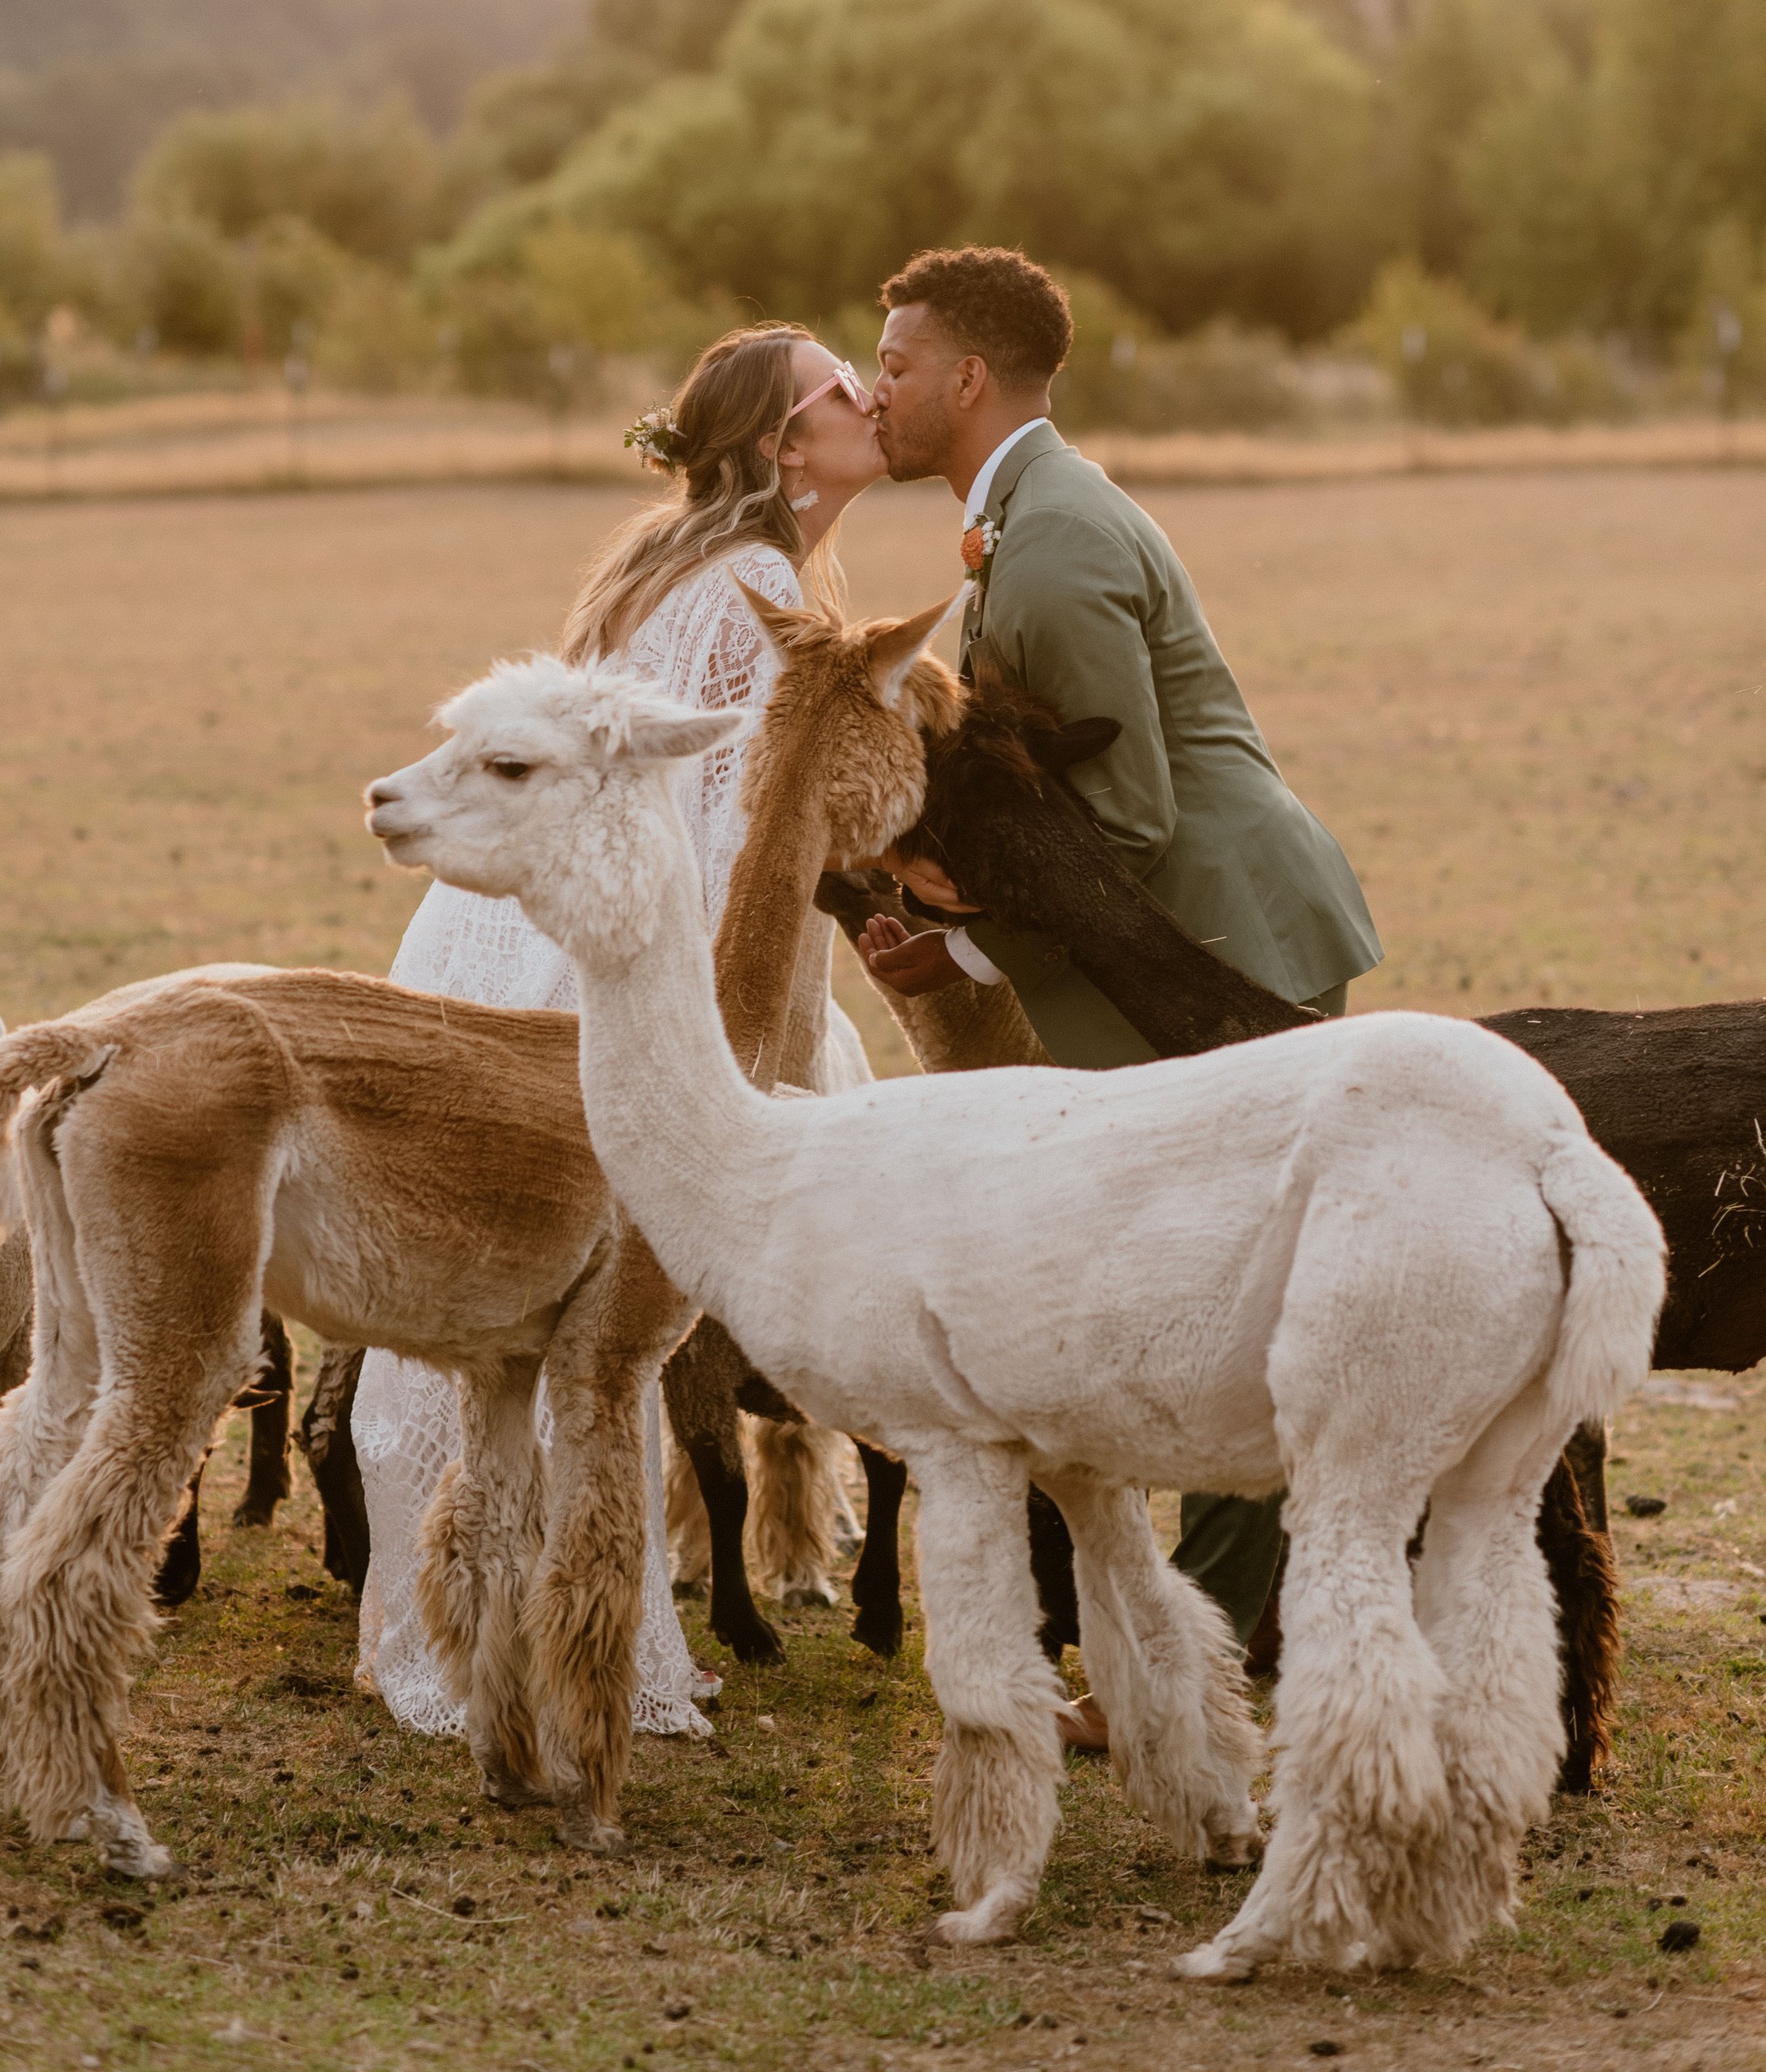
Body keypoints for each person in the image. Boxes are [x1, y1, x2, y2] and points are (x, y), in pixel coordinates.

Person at [863, 245, 1382, 1732]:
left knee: (1235, 1303)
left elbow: (1131, 822)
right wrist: (956, 939)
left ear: (967, 379)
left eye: (893, 363)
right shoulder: (1024, 517)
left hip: (1222, 949)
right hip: (1184, 942)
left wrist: (958, 892)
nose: (873, 386)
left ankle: (1202, 1665)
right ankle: (1216, 1645)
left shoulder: (1050, 546)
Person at [354, 322, 889, 1742]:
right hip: (592, 960)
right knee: (606, 1319)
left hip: (495, 942)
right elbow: (725, 826)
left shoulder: (660, 558)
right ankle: (590, 1644)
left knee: (493, 1304)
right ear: (786, 444)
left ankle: (459, 1621)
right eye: (844, 387)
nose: (868, 397)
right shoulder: (761, 580)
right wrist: (726, 1031)